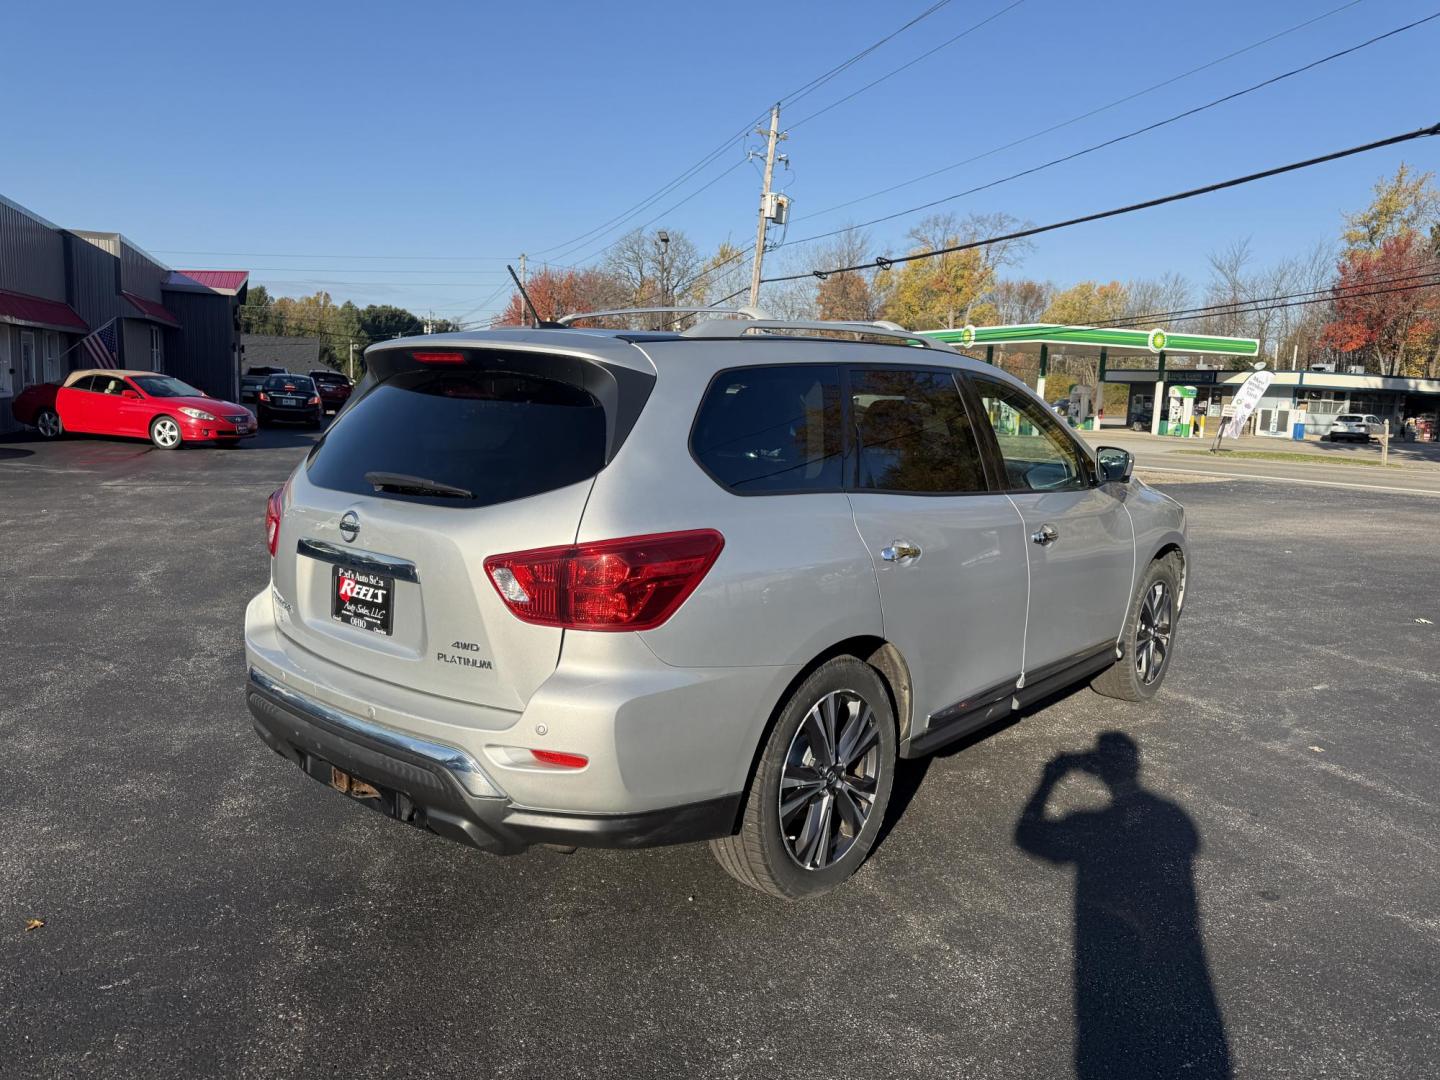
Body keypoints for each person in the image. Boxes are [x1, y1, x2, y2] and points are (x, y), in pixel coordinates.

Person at [1015, 732, 1231, 1079]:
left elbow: (1028, 835)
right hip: (1171, 951)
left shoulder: (1091, 827)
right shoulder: (1172, 816)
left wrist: (1050, 779)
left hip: (1109, 943)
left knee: (1111, 1035)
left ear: (1099, 771)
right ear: (1135, 766)